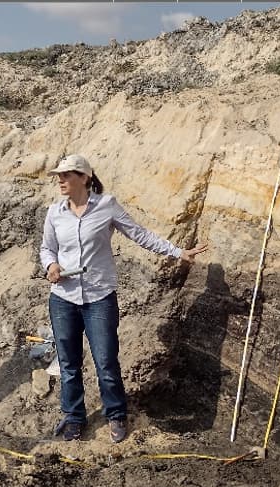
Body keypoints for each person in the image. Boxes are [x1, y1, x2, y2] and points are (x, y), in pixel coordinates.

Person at [39, 154, 209, 443]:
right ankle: (74, 417)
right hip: (63, 298)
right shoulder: (55, 212)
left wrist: (178, 251)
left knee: (105, 361)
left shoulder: (106, 206)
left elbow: (139, 234)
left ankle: (116, 414)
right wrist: (51, 266)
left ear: (84, 177)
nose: (60, 180)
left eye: (66, 175)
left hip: (99, 297)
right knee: (68, 363)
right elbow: (47, 248)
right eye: (59, 175)